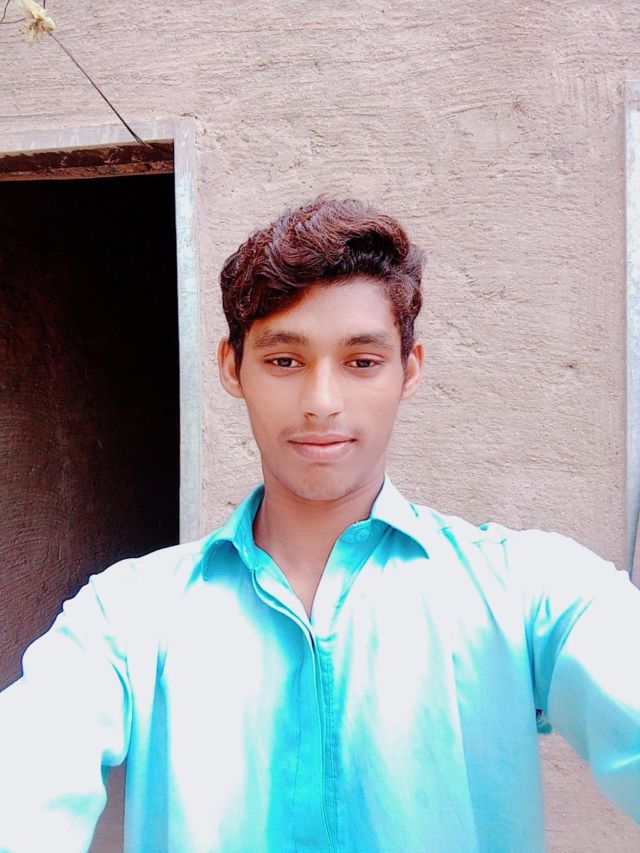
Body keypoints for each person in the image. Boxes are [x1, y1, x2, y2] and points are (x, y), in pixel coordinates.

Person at [0, 197, 638, 853]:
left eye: (362, 362)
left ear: (409, 369)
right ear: (231, 367)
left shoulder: (526, 589)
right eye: (284, 360)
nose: (322, 402)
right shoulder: (128, 614)